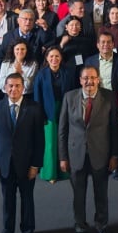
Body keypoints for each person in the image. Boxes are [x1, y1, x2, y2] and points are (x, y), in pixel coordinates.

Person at [58, 65, 118, 233]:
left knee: (101, 194)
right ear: (80, 80)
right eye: (85, 78)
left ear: (98, 80)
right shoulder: (69, 97)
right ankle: (80, 229)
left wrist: (115, 155)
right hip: (75, 154)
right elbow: (63, 130)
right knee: (78, 196)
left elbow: (115, 129)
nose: (89, 82)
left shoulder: (109, 97)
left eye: (93, 78)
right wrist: (63, 156)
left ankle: (102, 227)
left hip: (101, 154)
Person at [0, 73, 44, 233]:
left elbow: (39, 140)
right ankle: (7, 231)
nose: (14, 89)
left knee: (27, 199)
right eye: (10, 86)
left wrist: (36, 165)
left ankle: (28, 232)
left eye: (17, 86)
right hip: (4, 164)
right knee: (8, 199)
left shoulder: (34, 108)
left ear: (23, 88)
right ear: (5, 88)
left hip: (27, 165)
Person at [34, 47, 78, 184]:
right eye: (51, 56)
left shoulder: (68, 73)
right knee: (51, 143)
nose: (54, 59)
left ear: (61, 58)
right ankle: (50, 172)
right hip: (48, 112)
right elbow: (37, 97)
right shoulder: (41, 75)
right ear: (47, 58)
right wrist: (40, 115)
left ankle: (64, 171)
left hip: (65, 110)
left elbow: (73, 93)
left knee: (64, 141)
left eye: (57, 56)